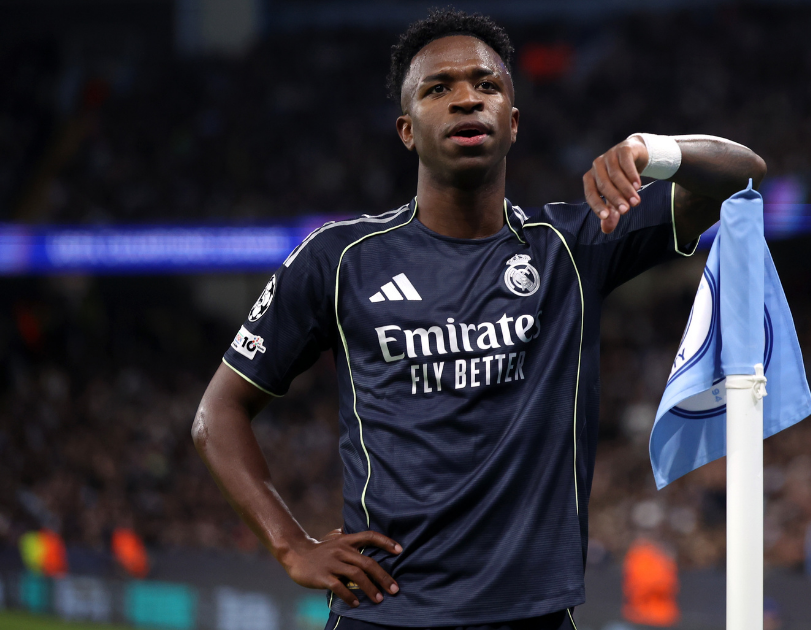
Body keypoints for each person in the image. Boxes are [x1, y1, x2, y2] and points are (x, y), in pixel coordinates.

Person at [192, 9, 765, 630]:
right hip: (387, 614)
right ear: (407, 130)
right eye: (439, 89)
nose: (467, 99)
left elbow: (744, 178)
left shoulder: (572, 246)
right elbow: (216, 415)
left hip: (534, 616)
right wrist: (291, 544)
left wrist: (652, 151)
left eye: (486, 85)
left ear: (512, 123)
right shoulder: (340, 260)